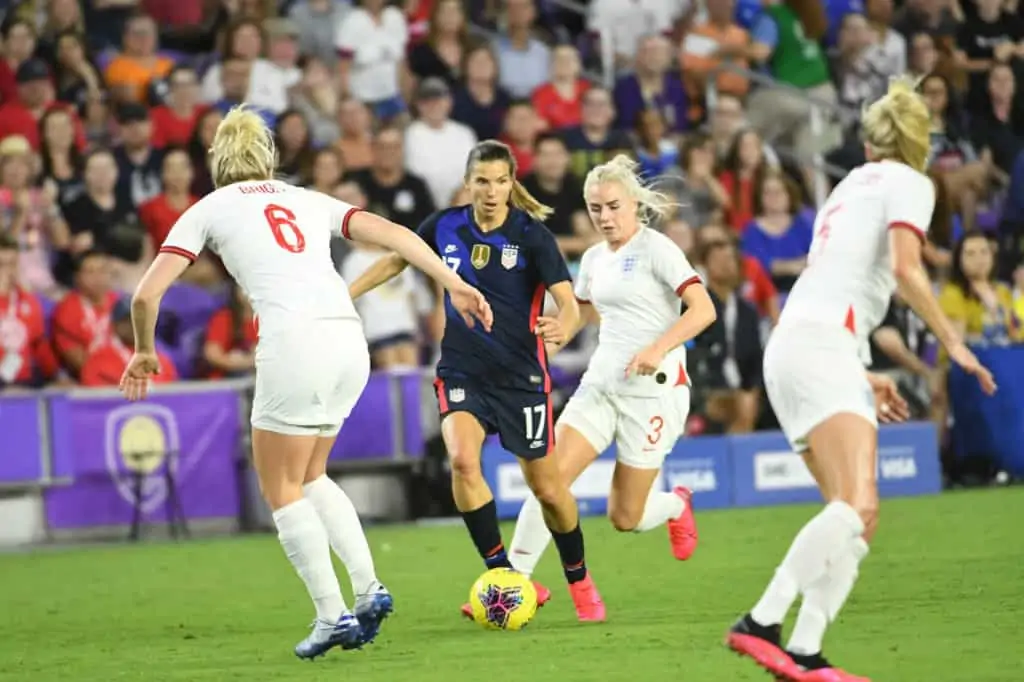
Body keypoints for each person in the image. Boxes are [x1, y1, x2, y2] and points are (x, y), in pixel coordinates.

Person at [118, 105, 493, 660]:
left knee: (280, 487)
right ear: (269, 156)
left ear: (218, 161)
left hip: (293, 343)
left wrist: (146, 350)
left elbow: (146, 295)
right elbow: (391, 233)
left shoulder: (208, 208)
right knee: (311, 473)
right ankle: (368, 588)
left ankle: (330, 614)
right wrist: (453, 282)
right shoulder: (304, 199)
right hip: (348, 337)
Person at [725, 78, 997, 682]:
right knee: (859, 503)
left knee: (853, 515)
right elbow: (905, 270)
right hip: (822, 348)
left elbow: (841, 282)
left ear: (870, 146)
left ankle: (804, 652)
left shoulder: (849, 186)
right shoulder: (911, 183)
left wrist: (860, 370)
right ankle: (763, 623)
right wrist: (955, 343)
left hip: (799, 347)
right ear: (918, 144)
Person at [348, 140, 606, 622]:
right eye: (482, 181)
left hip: (521, 376)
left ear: (513, 183)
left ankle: (579, 578)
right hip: (462, 369)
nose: (491, 191)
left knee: (548, 490)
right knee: (464, 463)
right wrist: (345, 294)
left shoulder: (531, 235)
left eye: (501, 181)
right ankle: (505, 576)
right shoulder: (443, 225)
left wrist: (565, 326)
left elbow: (570, 304)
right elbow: (397, 259)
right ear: (468, 182)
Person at [507, 154, 716, 578]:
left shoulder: (658, 249)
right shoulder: (593, 259)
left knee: (625, 517)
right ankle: (512, 584)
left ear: (634, 204)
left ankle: (676, 504)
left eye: (613, 206)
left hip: (653, 392)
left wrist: (658, 348)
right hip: (602, 384)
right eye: (595, 208)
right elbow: (580, 312)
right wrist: (555, 333)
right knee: (549, 481)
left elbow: (703, 309)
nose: (604, 216)